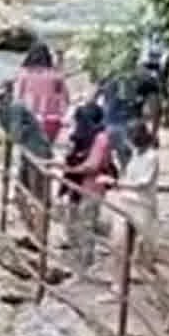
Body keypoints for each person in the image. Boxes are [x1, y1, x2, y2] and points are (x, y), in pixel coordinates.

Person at [59, 96, 117, 271]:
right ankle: (76, 256)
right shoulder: (80, 136)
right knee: (73, 219)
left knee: (87, 222)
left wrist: (73, 170)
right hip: (76, 185)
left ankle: (85, 261)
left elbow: (92, 166)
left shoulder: (101, 139)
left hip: (92, 186)